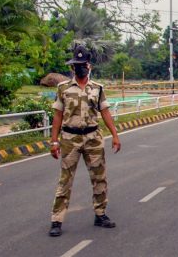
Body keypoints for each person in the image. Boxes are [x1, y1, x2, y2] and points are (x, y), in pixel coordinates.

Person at [48, 45, 122, 237]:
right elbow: (57, 115)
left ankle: (100, 214)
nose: (79, 68)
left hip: (93, 138)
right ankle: (56, 220)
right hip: (70, 138)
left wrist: (114, 135)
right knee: (65, 180)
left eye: (82, 65)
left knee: (99, 177)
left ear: (88, 66)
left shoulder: (97, 89)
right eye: (76, 65)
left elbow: (104, 112)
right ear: (72, 67)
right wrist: (54, 141)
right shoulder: (63, 88)